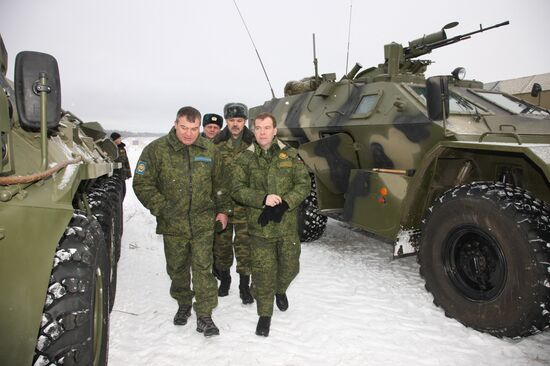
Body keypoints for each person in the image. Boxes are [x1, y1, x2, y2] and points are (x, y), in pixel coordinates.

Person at [132, 106, 229, 337]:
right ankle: (184, 301)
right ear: (175, 124)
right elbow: (142, 184)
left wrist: (223, 210)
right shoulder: (156, 150)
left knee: (203, 268)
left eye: (194, 129)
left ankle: (205, 314)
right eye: (184, 127)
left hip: (203, 221)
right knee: (177, 268)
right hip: (173, 224)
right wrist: (162, 208)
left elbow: (222, 183)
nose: (188, 133)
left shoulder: (209, 149)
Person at [231, 112, 309, 337]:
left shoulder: (290, 154)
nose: (262, 132)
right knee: (264, 274)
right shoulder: (244, 158)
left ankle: (280, 289)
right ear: (254, 131)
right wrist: (262, 199)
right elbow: (236, 189)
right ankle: (264, 314)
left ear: (275, 130)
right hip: (260, 228)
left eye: (267, 127)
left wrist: (285, 203)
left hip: (286, 227)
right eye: (258, 128)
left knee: (291, 267)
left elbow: (303, 184)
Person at [211, 102, 255, 304]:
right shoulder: (216, 144)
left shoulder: (254, 143)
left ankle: (244, 285)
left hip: (246, 205)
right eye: (231, 120)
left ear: (245, 121)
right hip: (223, 206)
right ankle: (225, 280)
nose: (235, 124)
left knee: (245, 246)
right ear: (226, 121)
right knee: (222, 246)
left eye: (239, 120)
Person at [110, 132, 132, 197]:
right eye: (119, 138)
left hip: (122, 175)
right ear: (114, 139)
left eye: (120, 138)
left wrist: (128, 174)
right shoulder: (109, 148)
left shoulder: (122, 148)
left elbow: (126, 161)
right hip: (114, 176)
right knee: (117, 194)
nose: (120, 139)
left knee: (123, 192)